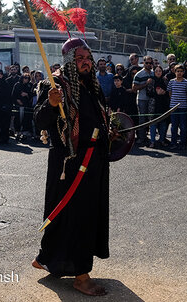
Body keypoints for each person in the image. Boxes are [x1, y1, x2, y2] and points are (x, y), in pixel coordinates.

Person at [32, 38, 110, 296]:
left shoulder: (93, 86)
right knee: (75, 217)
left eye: (88, 57)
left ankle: (46, 259)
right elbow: (39, 120)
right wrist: (51, 104)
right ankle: (81, 276)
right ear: (69, 61)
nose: (86, 62)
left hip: (93, 160)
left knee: (75, 215)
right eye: (79, 58)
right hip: (70, 163)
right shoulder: (54, 85)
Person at [132, 56, 155, 146]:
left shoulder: (154, 73)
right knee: (142, 119)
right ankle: (142, 138)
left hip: (152, 99)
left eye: (150, 63)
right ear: (143, 63)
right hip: (142, 98)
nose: (149, 65)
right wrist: (146, 84)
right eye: (147, 63)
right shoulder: (139, 74)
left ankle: (149, 137)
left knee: (151, 119)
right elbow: (134, 88)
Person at [167, 65, 187, 149]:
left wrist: (185, 102)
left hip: (183, 106)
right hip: (173, 107)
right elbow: (170, 93)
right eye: (178, 71)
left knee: (183, 126)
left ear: (183, 72)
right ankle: (173, 142)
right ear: (175, 72)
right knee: (174, 126)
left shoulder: (186, 82)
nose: (179, 73)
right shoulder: (171, 82)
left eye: (181, 71)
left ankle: (183, 142)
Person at [148, 65, 170, 148]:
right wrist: (156, 93)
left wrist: (164, 93)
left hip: (163, 104)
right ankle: (152, 141)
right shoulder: (151, 81)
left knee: (163, 124)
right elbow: (148, 92)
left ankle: (162, 140)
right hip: (153, 105)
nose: (158, 72)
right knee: (153, 123)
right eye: (156, 71)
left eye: (159, 71)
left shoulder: (165, 80)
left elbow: (169, 92)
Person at [12, 73, 33, 140]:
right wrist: (17, 100)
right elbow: (13, 94)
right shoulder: (17, 85)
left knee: (26, 119)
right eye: (25, 78)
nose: (26, 79)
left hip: (26, 105)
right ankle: (17, 133)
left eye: (27, 78)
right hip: (18, 104)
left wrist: (27, 94)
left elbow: (32, 94)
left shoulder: (30, 85)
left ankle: (25, 134)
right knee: (18, 119)